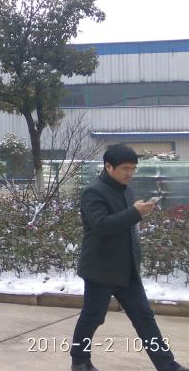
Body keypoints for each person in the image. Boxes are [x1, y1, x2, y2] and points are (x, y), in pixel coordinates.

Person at [70, 144, 186, 371]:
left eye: (133, 168)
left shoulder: (127, 191)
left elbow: (127, 226)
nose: (130, 173)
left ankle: (167, 365)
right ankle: (80, 360)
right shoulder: (93, 192)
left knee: (144, 316)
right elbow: (101, 225)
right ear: (108, 166)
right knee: (93, 316)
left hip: (127, 269)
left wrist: (137, 214)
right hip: (101, 269)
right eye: (125, 168)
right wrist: (135, 212)